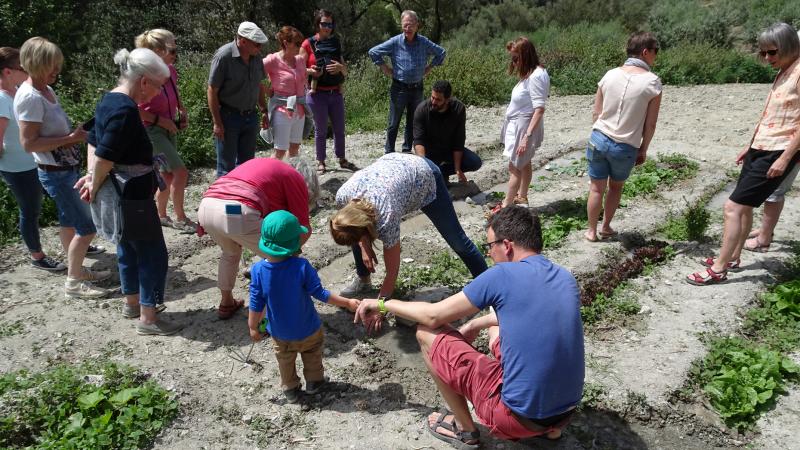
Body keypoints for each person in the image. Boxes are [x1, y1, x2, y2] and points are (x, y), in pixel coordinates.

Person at [354, 206, 584, 448]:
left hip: (514, 419)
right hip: (564, 413)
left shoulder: (502, 275)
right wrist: (477, 323)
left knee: (426, 333)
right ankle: (550, 433)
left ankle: (465, 430)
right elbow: (535, 319)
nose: (489, 254)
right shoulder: (564, 277)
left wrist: (384, 303)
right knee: (495, 324)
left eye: (490, 246)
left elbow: (433, 316)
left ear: (506, 245)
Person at [78, 48, 182, 335]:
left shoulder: (109, 99)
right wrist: (93, 182)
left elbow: (92, 139)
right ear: (144, 81)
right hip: (131, 193)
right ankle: (149, 318)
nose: (159, 93)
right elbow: (105, 154)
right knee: (152, 252)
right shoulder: (125, 110)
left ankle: (132, 302)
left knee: (127, 246)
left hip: (121, 191)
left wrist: (91, 176)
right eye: (159, 86)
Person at [688, 23, 800, 285]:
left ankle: (718, 269)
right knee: (744, 207)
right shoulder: (784, 71)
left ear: (788, 46)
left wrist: (785, 158)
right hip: (762, 147)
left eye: (772, 52)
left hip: (778, 151)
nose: (767, 58)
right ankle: (733, 257)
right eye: (763, 53)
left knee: (732, 207)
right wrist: (751, 147)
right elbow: (775, 116)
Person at [15, 37, 109, 299]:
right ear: (35, 64)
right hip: (55, 173)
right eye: (51, 65)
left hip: (64, 168)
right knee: (87, 227)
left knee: (69, 223)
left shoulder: (45, 89)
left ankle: (77, 271)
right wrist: (71, 138)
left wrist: (72, 136)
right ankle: (73, 284)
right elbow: (28, 144)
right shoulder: (31, 97)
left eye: (57, 64)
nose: (57, 70)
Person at [329, 152, 487, 298]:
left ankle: (488, 286)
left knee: (457, 240)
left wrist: (381, 304)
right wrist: (363, 245)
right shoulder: (343, 197)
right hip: (394, 172)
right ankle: (364, 281)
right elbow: (354, 227)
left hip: (424, 176)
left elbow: (392, 272)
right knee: (351, 231)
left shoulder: (386, 215)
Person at [248, 210, 360, 403]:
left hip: (279, 333)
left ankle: (290, 389)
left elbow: (256, 302)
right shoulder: (301, 266)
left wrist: (253, 327)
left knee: (285, 360)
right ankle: (314, 382)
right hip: (308, 328)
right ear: (294, 243)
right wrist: (348, 302)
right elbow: (320, 293)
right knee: (312, 353)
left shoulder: (258, 270)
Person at [197, 157, 319, 319]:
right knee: (279, 260)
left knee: (230, 252)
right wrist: (291, 252)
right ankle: (269, 318)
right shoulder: (295, 178)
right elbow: (304, 227)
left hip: (207, 206)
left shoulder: (269, 169)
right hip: (239, 210)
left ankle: (226, 303)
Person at [583, 32, 662, 242]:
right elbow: (651, 124)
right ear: (645, 52)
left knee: (596, 188)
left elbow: (596, 112)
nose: (656, 56)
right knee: (615, 187)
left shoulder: (609, 75)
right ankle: (606, 226)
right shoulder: (652, 82)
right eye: (655, 52)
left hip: (599, 137)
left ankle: (591, 231)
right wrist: (644, 148)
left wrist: (599, 134)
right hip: (625, 145)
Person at [0, 47, 65, 271]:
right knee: (30, 210)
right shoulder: (2, 100)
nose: (28, 70)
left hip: (35, 161)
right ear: (7, 72)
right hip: (18, 168)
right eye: (22, 67)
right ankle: (37, 256)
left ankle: (76, 243)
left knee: (63, 199)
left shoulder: (19, 91)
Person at [135, 29, 195, 232]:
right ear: (157, 51)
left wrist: (182, 110)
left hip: (168, 127)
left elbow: (174, 93)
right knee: (180, 172)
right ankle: (181, 218)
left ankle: (160, 215)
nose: (175, 54)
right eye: (172, 50)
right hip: (152, 130)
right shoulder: (142, 75)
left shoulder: (169, 71)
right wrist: (160, 121)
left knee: (167, 175)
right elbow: (134, 108)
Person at [368, 10, 446, 154]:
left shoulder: (423, 42)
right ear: (401, 25)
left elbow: (441, 53)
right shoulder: (395, 42)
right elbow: (373, 52)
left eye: (411, 25)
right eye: (405, 25)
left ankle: (406, 150)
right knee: (393, 122)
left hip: (417, 88)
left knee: (413, 121)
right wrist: (384, 67)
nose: (408, 28)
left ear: (417, 25)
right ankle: (389, 152)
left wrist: (430, 67)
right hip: (399, 88)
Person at [208, 21, 269, 177]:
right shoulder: (223, 56)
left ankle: (242, 193)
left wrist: (264, 110)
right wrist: (217, 122)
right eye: (257, 44)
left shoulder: (256, 58)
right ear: (243, 41)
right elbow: (212, 90)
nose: (260, 48)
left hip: (251, 116)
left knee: (247, 166)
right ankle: (225, 194)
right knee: (226, 168)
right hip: (228, 117)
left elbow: (259, 85)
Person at [302, 9, 358, 174]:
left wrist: (340, 67)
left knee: (339, 128)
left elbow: (345, 71)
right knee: (320, 130)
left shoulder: (335, 43)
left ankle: (342, 159)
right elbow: (299, 69)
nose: (327, 27)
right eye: (324, 24)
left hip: (335, 92)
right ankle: (321, 161)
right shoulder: (308, 44)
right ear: (317, 24)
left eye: (330, 24)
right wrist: (312, 71)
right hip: (316, 93)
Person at [497, 37, 549, 209]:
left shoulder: (536, 76)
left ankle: (506, 206)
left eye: (516, 58)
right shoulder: (532, 74)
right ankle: (522, 198)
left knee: (515, 167)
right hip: (520, 123)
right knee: (524, 163)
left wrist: (526, 137)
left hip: (524, 126)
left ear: (525, 56)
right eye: (512, 58)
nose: (514, 62)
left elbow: (539, 109)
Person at [413, 80, 481, 183]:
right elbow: (419, 141)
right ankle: (434, 172)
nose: (433, 102)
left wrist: (457, 169)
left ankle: (442, 172)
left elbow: (459, 141)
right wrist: (424, 166)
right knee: (423, 171)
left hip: (449, 149)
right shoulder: (422, 109)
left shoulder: (458, 109)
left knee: (475, 162)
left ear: (447, 100)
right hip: (429, 151)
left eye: (438, 100)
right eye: (432, 97)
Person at [263, 26, 307, 160]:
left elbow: (303, 78)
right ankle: (271, 173)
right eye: (297, 44)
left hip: (299, 109)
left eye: (300, 43)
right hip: (282, 110)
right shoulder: (272, 60)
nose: (300, 47)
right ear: (286, 43)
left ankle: (289, 173)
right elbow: (254, 75)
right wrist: (268, 91)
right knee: (280, 151)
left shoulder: (300, 60)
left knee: (294, 149)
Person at [743, 163, 799, 252]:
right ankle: (766, 231)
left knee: (774, 192)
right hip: (780, 155)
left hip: (788, 157)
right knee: (772, 191)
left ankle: (763, 240)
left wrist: (784, 159)